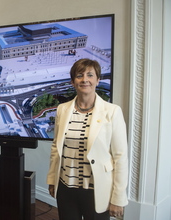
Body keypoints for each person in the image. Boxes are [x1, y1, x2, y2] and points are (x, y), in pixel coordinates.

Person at [46, 58, 128, 220]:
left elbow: (120, 157)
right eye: (79, 75)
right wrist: (52, 180)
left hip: (97, 190)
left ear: (98, 80)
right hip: (66, 188)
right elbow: (56, 147)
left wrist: (118, 198)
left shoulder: (112, 112)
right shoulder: (62, 109)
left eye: (90, 75)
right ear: (72, 82)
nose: (85, 79)